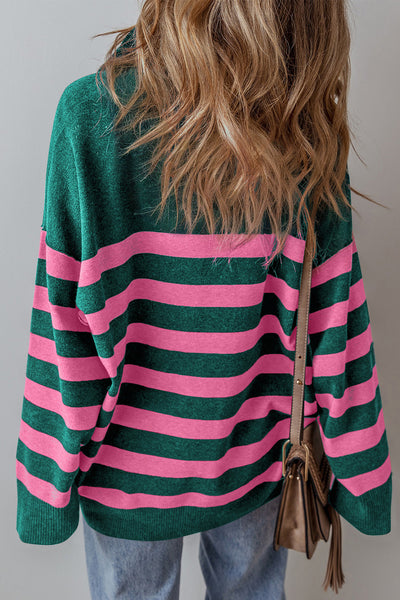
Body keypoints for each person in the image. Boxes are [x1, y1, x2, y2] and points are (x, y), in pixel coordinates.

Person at [15, 2, 392, 599]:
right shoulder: (304, 131)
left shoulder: (92, 115)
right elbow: (335, 329)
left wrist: (44, 492)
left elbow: (65, 333)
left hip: (127, 475)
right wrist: (365, 479)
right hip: (255, 459)